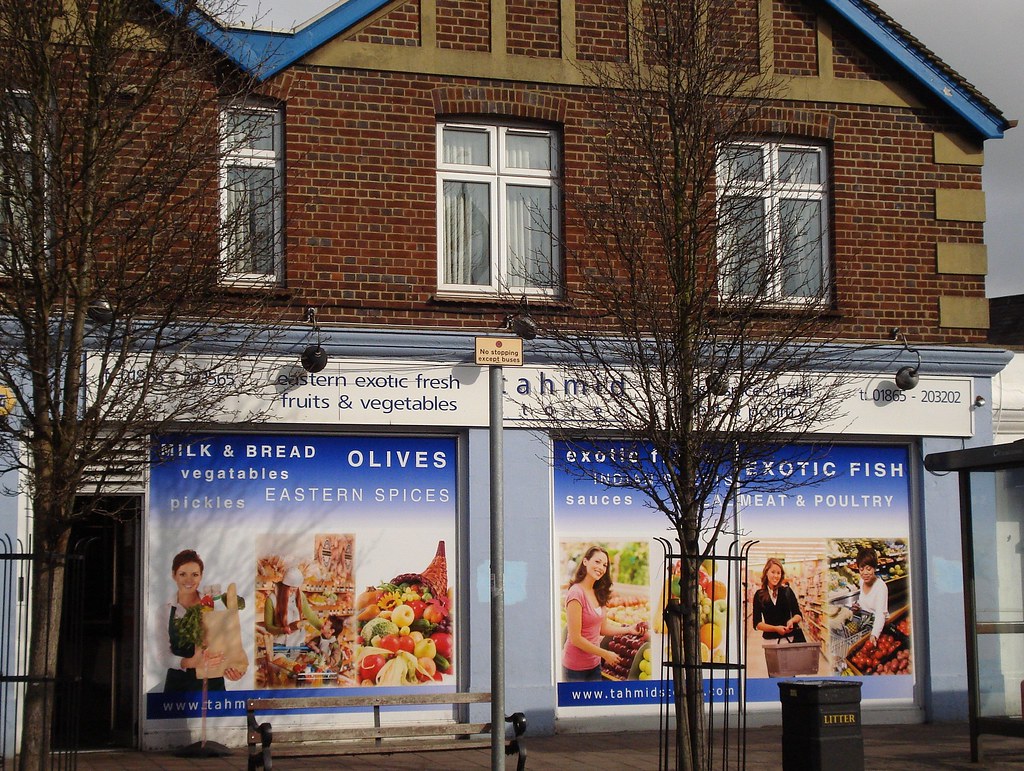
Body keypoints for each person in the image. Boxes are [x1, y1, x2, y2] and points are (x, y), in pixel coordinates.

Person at [164, 549, 245, 692]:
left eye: (194, 574)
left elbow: (230, 642)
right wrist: (190, 662)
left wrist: (234, 668)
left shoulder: (214, 605)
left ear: (201, 576)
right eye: (183, 574)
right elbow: (161, 655)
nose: (189, 580)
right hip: (178, 687)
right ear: (174, 575)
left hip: (213, 685)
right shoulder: (165, 610)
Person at [562, 546, 647, 681]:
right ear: (585, 562)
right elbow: (575, 638)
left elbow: (603, 628)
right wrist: (605, 654)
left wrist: (629, 630)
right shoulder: (576, 593)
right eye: (597, 562)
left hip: (594, 666)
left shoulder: (598, 592)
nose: (601, 567)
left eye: (605, 565)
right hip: (574, 669)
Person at [263, 566, 320, 647]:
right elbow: (268, 627)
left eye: (296, 589)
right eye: (292, 589)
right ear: (284, 587)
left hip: (297, 643)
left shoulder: (300, 595)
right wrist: (282, 630)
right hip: (280, 645)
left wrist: (322, 629)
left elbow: (310, 615)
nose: (294, 592)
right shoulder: (271, 600)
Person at [752, 557, 805, 643]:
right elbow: (757, 624)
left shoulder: (787, 591)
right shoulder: (759, 595)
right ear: (766, 573)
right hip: (769, 642)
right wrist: (776, 629)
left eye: (778, 573)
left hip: (789, 640)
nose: (776, 576)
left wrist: (792, 621)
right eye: (773, 572)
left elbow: (798, 615)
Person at [852, 547, 889, 642]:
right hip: (867, 624)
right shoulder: (861, 581)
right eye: (861, 569)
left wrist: (874, 635)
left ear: (874, 568)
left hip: (880, 627)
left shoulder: (881, 587)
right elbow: (865, 601)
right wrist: (857, 606)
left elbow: (881, 614)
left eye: (868, 569)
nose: (865, 573)